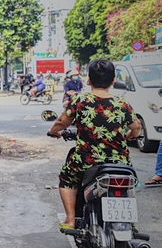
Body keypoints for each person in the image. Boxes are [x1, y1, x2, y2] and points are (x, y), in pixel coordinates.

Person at [47, 59, 140, 231]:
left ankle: (70, 220)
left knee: (67, 179)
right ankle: (132, 223)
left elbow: (61, 122)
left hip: (86, 160)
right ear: (112, 81)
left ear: (89, 80)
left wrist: (53, 132)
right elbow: (136, 128)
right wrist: (129, 136)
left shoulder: (80, 100)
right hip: (119, 162)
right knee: (128, 184)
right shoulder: (123, 103)